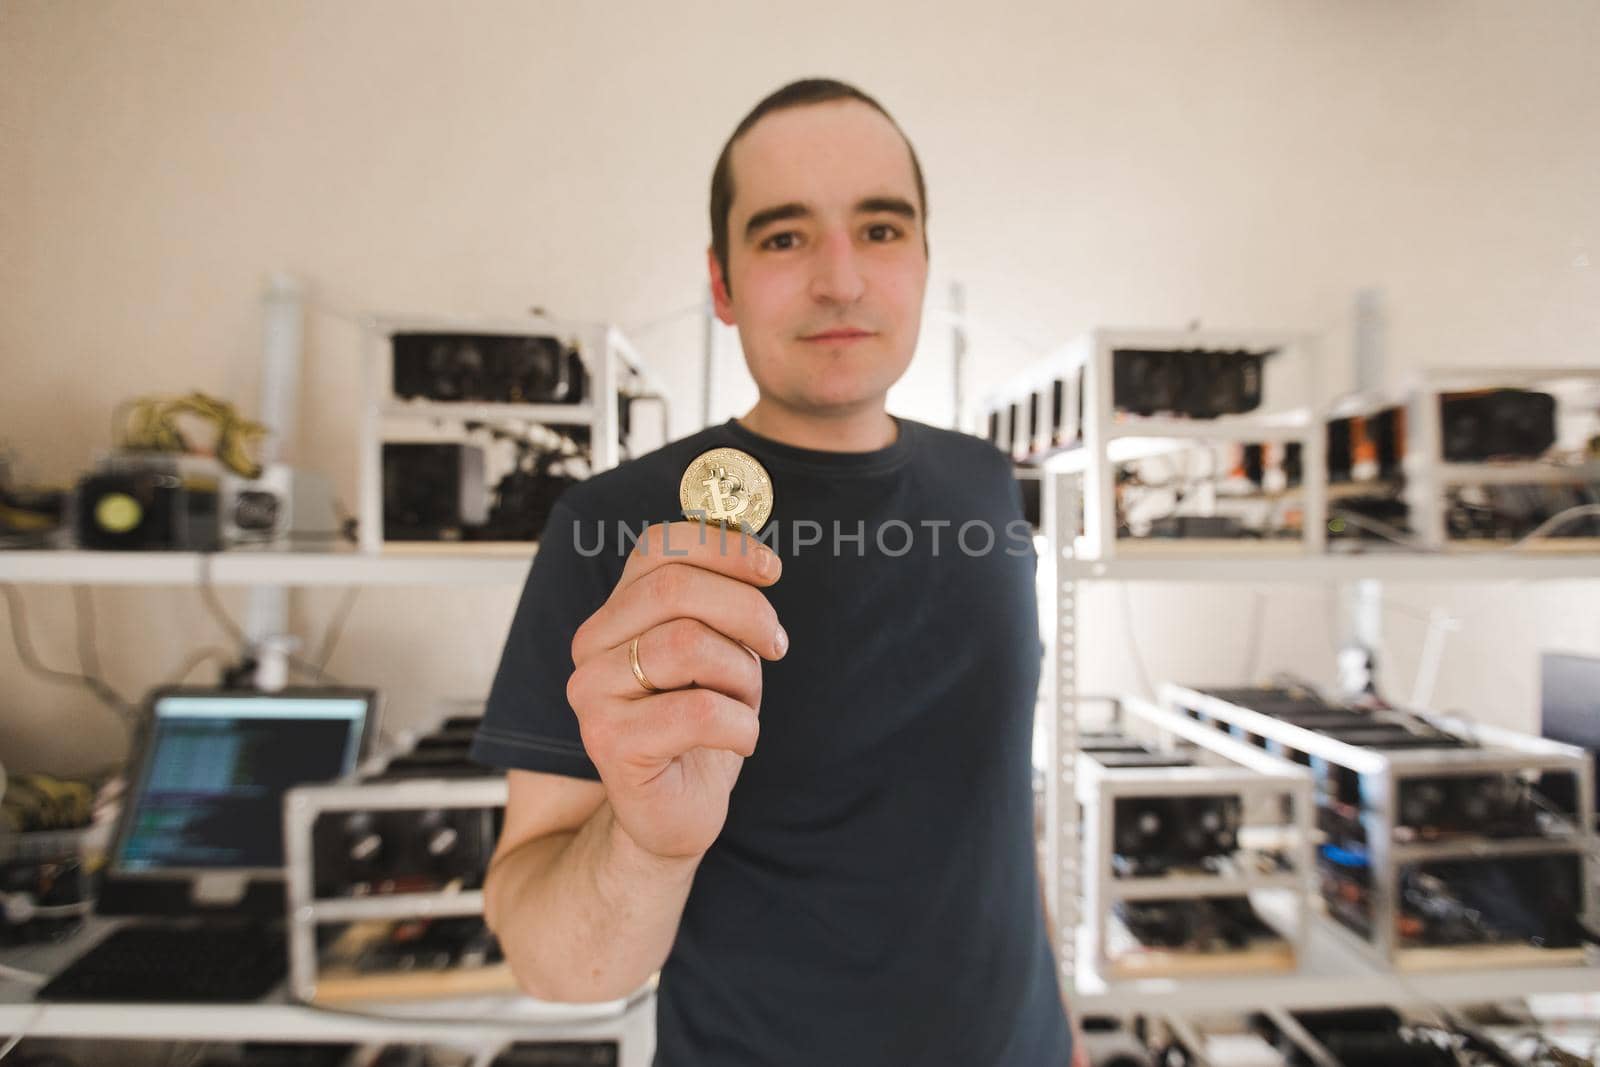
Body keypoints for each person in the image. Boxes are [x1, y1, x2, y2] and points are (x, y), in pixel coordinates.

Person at [471, 78, 1081, 1066]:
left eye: (880, 229)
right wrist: (647, 840)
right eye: (784, 237)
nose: (840, 279)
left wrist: (1064, 1030)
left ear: (923, 258)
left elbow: (997, 812)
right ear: (720, 283)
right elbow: (551, 961)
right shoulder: (611, 525)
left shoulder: (985, 483)